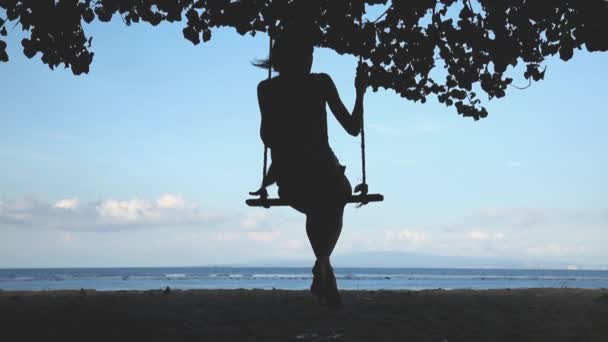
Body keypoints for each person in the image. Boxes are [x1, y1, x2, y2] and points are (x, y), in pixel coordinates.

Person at [253, 26, 367, 309]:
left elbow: (267, 137)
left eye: (311, 53)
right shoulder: (321, 83)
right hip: (327, 176)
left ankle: (325, 273)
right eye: (307, 54)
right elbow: (353, 128)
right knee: (337, 196)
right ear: (293, 57)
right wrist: (360, 92)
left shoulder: (267, 89)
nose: (310, 59)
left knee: (316, 211)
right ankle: (323, 265)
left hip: (291, 181)